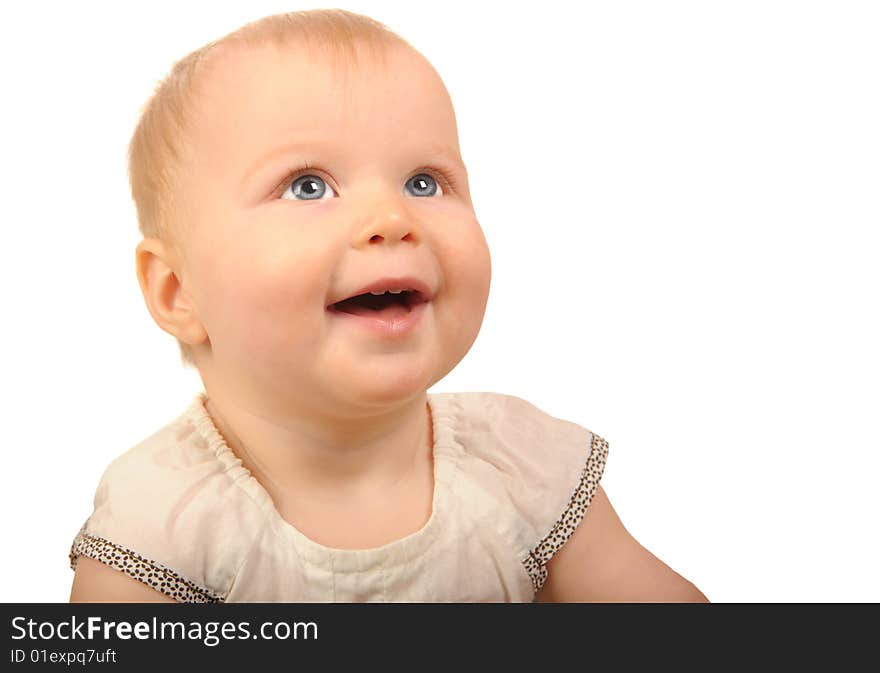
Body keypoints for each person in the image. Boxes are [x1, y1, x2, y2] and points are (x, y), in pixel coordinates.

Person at [68, 9, 708, 603]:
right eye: (308, 186)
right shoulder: (162, 526)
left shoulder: (520, 469)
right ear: (178, 292)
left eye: (424, 182)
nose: (392, 218)